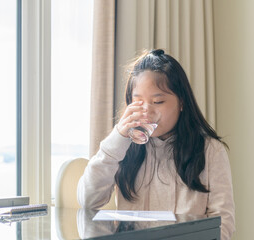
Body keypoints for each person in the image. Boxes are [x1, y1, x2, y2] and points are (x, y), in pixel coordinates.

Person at [77, 49, 235, 240]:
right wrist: (117, 137)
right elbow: (88, 201)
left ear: (182, 102)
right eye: (138, 102)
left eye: (158, 101)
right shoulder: (123, 147)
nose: (147, 111)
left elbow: (223, 225)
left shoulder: (210, 151)